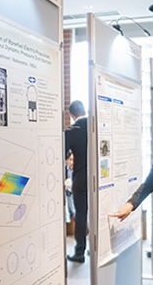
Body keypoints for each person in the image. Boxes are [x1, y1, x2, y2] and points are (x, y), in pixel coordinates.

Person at [64, 100, 88, 263]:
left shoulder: (72, 130)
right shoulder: (96, 125)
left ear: (71, 115)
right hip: (99, 177)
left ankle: (79, 252)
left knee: (81, 215)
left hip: (80, 178)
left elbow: (63, 152)